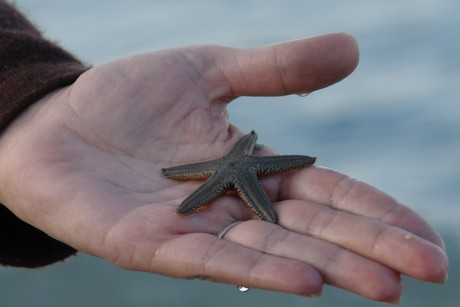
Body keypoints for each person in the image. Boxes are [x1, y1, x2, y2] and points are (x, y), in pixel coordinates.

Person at [0, 0, 447, 303]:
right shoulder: (226, 169)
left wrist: (22, 96)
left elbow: (248, 155)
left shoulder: (237, 161)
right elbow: (238, 161)